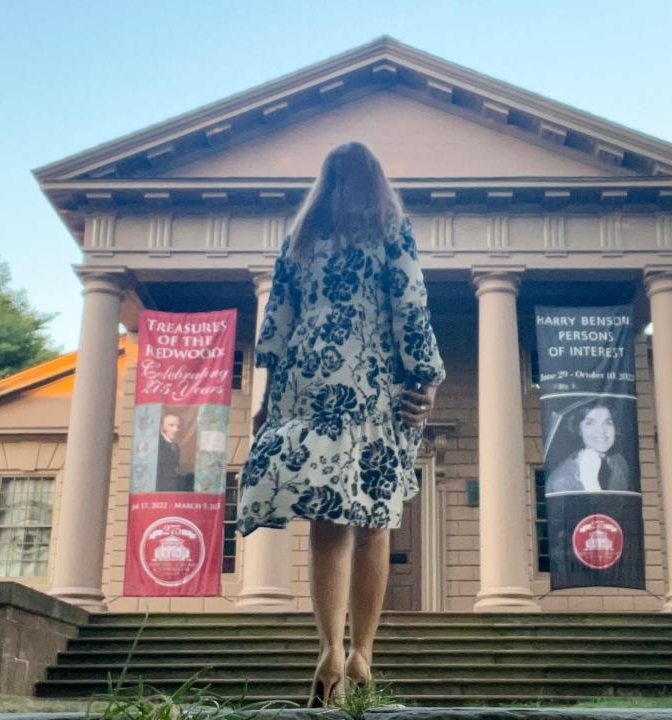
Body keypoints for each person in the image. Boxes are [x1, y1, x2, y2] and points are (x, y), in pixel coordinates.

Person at [237, 142, 445, 707]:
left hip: (309, 384)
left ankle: (328, 646)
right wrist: (424, 380)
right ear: (377, 181)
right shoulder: (391, 229)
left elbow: (275, 322)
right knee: (375, 522)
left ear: (325, 182)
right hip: (372, 382)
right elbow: (411, 306)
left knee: (328, 523)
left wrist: (267, 400)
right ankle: (363, 654)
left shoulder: (301, 237)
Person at [545, 401, 631, 494]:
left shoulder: (618, 463)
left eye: (607, 422)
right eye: (590, 423)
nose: (601, 431)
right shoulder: (562, 480)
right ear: (578, 429)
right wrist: (591, 483)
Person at [156, 412, 183, 491]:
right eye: (171, 425)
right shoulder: (156, 444)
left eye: (178, 426)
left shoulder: (175, 446)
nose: (176, 429)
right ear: (161, 427)